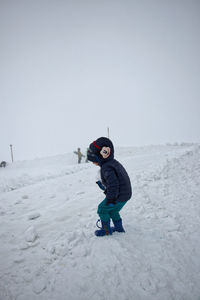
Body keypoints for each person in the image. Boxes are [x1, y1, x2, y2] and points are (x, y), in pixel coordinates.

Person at [87, 137, 132, 236]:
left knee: (102, 209)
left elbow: (113, 185)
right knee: (113, 210)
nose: (93, 163)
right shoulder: (112, 163)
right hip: (125, 194)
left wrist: (111, 199)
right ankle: (119, 228)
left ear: (104, 153)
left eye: (94, 160)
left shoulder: (106, 168)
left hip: (119, 195)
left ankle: (106, 230)